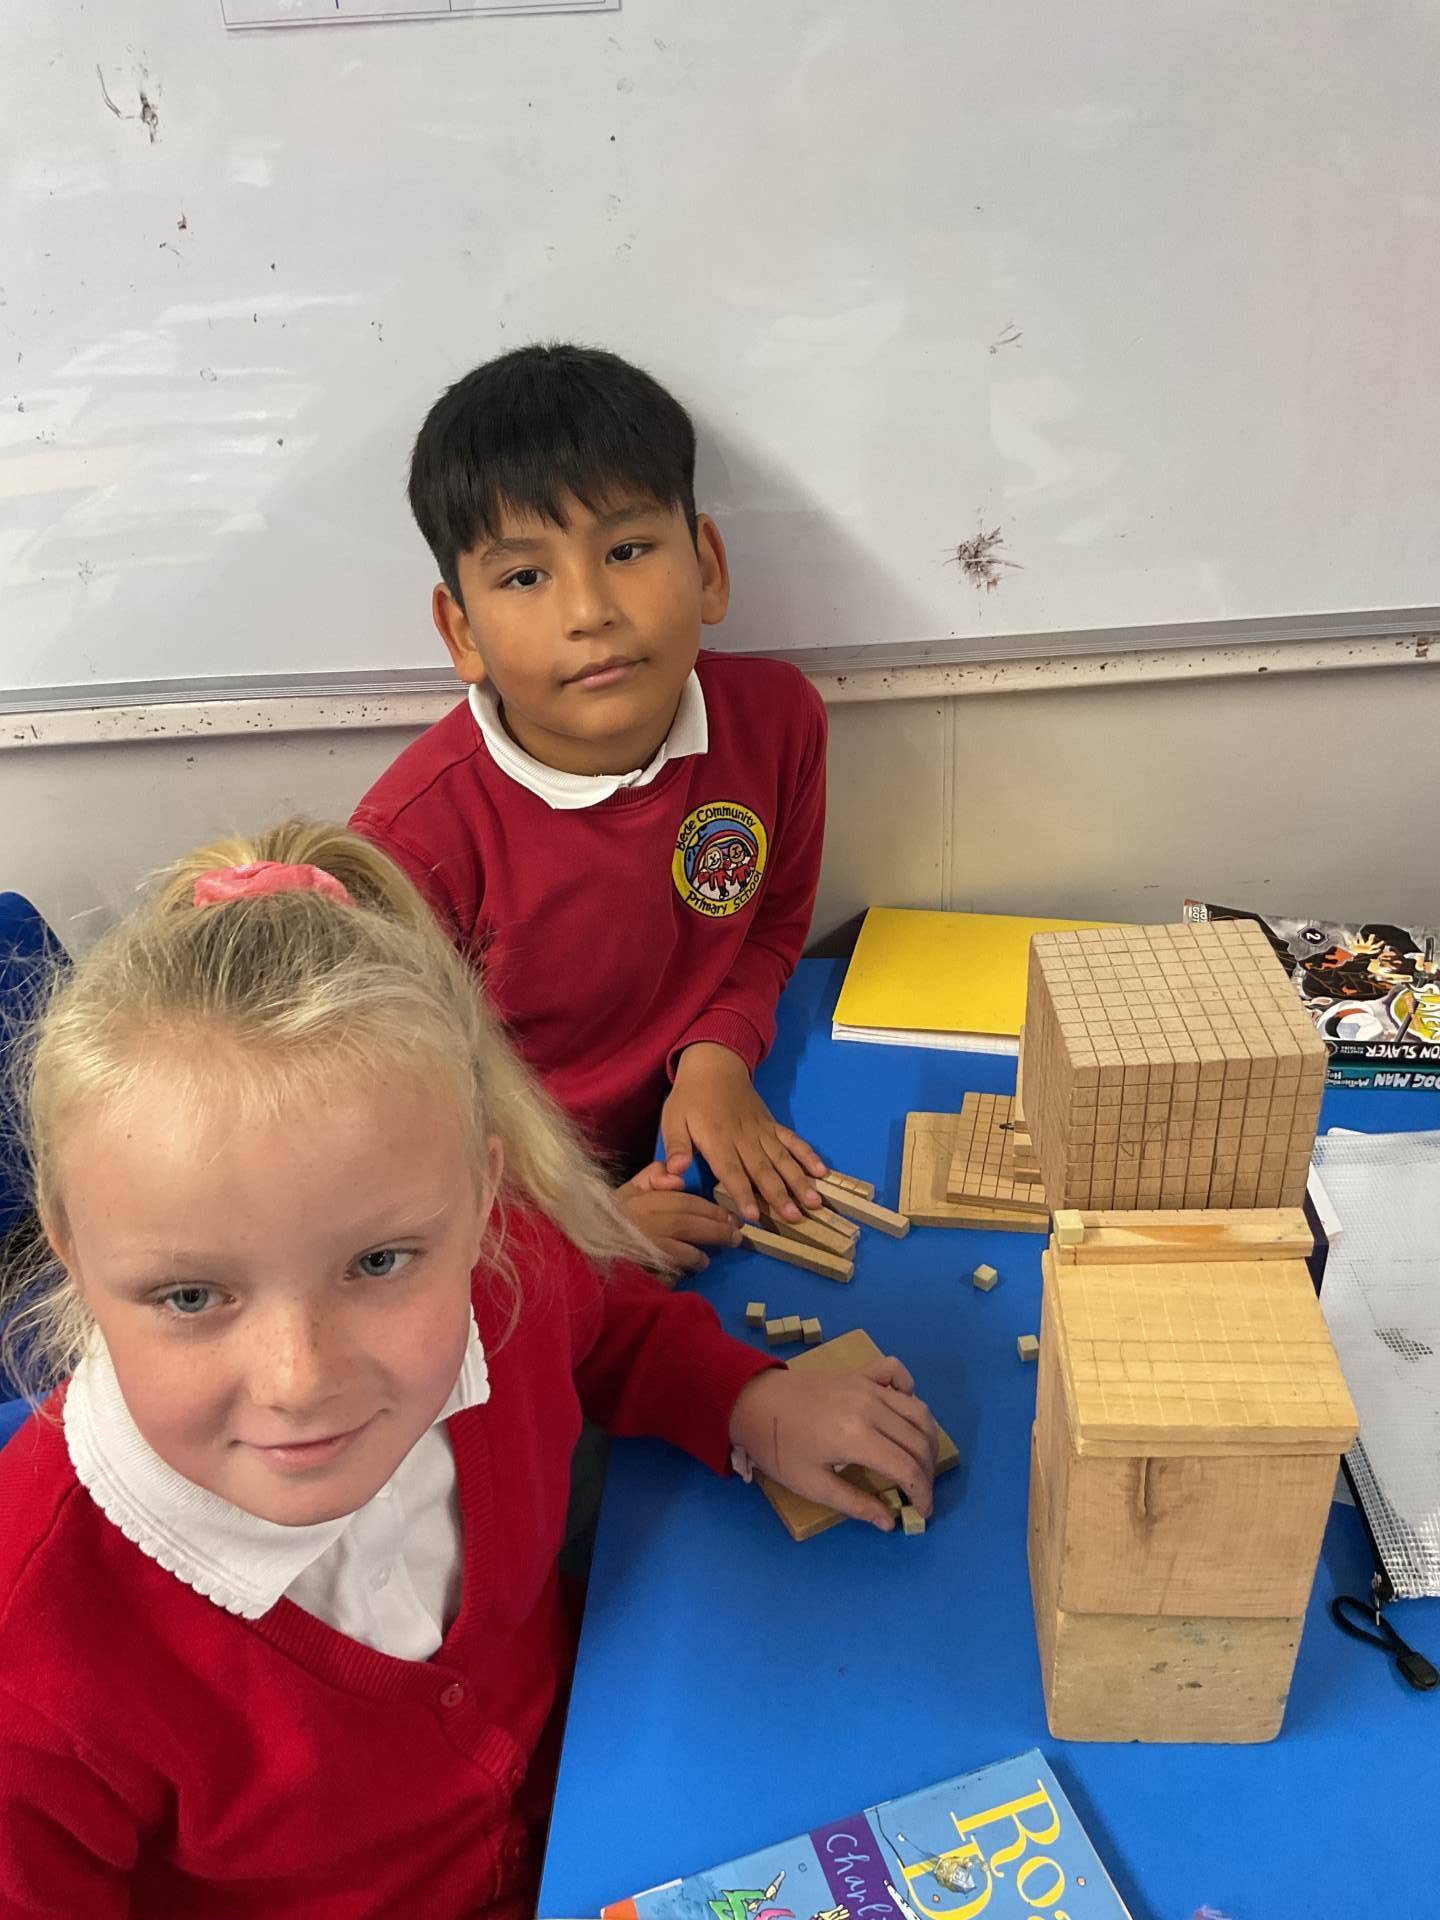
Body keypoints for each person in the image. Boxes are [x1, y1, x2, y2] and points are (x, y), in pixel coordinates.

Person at [0, 822, 938, 1918]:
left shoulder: (500, 1280)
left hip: (612, 1798)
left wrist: (746, 1399)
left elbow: (601, 1321)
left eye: (378, 1263)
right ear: (74, 1253)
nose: (300, 1379)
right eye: (191, 1297)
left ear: (482, 1204)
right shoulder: (34, 1653)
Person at [351, 343, 829, 1273]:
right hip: (515, 1221)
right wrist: (579, 1232)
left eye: (626, 550)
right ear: (461, 630)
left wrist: (718, 1054)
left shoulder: (779, 723)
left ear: (708, 566)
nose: (589, 610)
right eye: (525, 577)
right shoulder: (410, 845)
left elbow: (771, 920)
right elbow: (393, 1128)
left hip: (708, 1145)